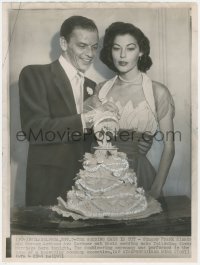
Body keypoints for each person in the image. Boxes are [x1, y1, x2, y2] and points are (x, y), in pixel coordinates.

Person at [19, 16, 116, 206]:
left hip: (86, 184)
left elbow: (90, 140)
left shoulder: (92, 85)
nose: (90, 54)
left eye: (94, 47)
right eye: (82, 45)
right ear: (64, 43)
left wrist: (106, 121)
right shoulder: (34, 74)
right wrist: (88, 119)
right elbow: (34, 130)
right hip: (49, 186)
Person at [85, 22, 175, 199]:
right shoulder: (101, 89)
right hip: (102, 177)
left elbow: (170, 147)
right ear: (110, 52)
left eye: (130, 48)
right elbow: (84, 131)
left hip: (139, 175)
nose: (123, 55)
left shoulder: (158, 91)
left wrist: (156, 189)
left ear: (141, 52)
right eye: (117, 48)